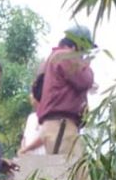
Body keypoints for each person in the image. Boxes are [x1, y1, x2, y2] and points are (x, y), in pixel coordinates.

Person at [35, 24, 97, 159]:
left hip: (58, 126)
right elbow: (85, 80)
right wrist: (86, 65)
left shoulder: (54, 58)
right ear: (77, 45)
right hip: (61, 126)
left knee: (76, 175)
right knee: (67, 174)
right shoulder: (65, 55)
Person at [18, 72, 45, 155]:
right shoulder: (31, 118)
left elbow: (44, 137)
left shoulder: (48, 117)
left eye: (32, 93)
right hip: (30, 161)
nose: (30, 96)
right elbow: (25, 138)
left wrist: (26, 149)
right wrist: (23, 149)